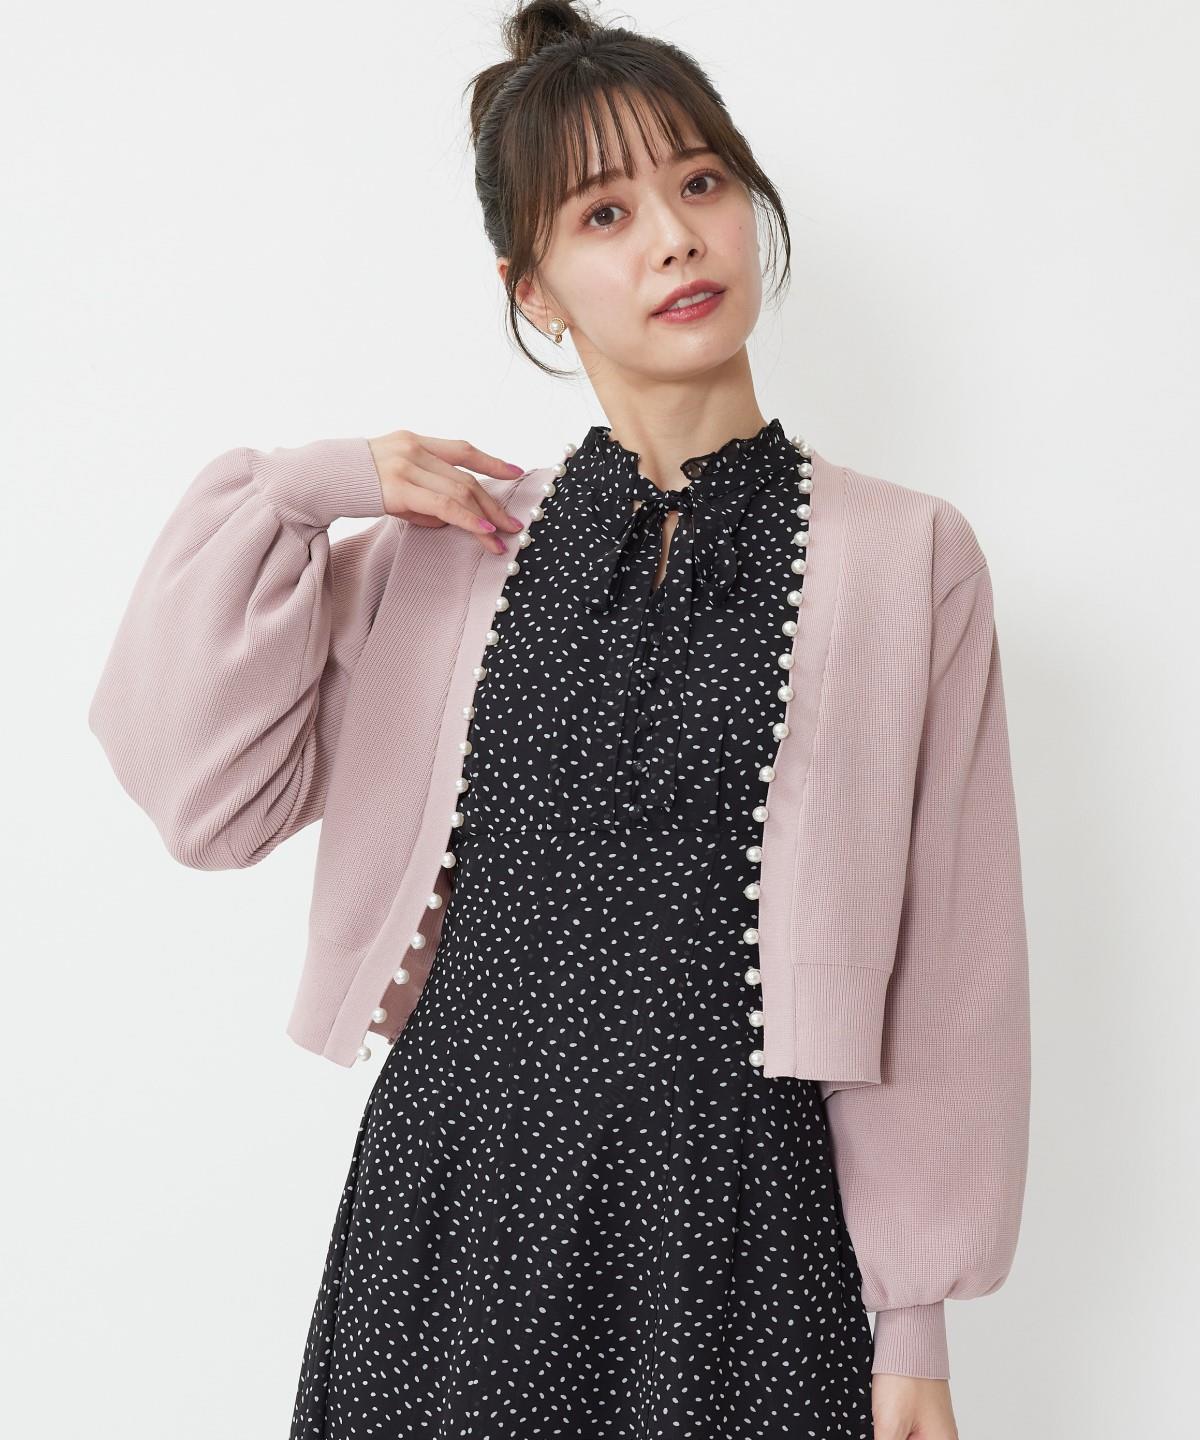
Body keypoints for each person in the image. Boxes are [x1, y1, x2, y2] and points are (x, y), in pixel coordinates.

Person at [88, 3, 1030, 1438]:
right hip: (457, 1216)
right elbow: (199, 794)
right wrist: (298, 491)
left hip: (742, 1232)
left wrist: (914, 1325)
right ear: (533, 290)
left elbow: (951, 963)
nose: (675, 239)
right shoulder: (445, 551)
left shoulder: (910, 558)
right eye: (606, 213)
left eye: (702, 182)